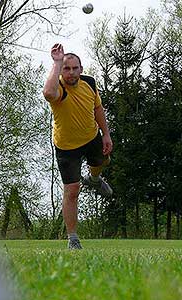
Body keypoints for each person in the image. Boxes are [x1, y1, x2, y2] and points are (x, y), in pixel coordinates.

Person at [43, 43, 113, 250]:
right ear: (61, 71)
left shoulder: (89, 82)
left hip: (92, 137)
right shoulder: (59, 90)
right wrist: (57, 62)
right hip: (66, 147)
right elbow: (48, 93)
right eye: (66, 68)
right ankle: (73, 238)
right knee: (72, 191)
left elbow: (97, 107)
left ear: (81, 69)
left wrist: (106, 134)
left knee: (104, 160)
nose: (71, 72)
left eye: (75, 68)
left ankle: (94, 179)